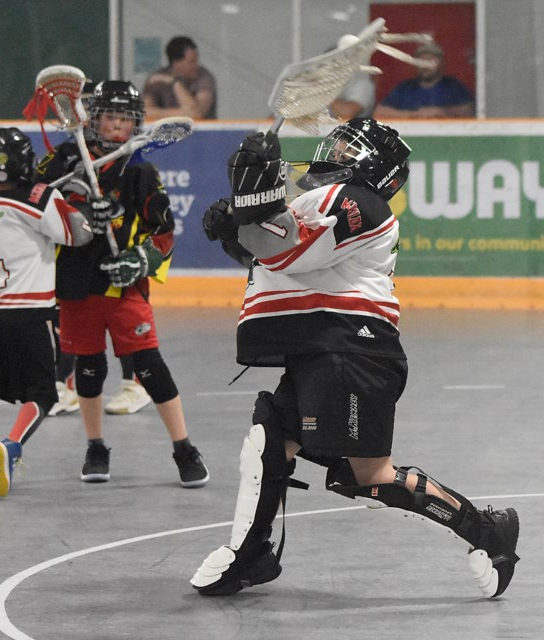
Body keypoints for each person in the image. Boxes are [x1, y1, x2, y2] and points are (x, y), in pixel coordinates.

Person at [191, 119, 520, 598]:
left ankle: (490, 533)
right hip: (322, 344)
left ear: (372, 165)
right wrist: (239, 222)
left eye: (349, 146)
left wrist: (250, 200)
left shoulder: (358, 200)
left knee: (369, 477)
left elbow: (285, 250)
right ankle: (250, 555)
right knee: (270, 441)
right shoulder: (319, 199)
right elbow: (267, 253)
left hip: (353, 348)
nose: (336, 149)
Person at [34, 80, 209, 487]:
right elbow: (35, 198)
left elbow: (163, 231)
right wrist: (74, 208)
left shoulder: (139, 169)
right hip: (77, 284)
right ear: (93, 119)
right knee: (89, 369)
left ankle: (184, 448)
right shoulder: (65, 158)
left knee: (150, 367)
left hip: (124, 287)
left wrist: (140, 259)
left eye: (126, 119)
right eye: (111, 117)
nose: (118, 126)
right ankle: (96, 446)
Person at [0, 127, 97, 496]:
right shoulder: (39, 198)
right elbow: (78, 235)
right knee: (43, 394)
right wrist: (74, 200)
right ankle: (12, 445)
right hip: (31, 313)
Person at [373, 42, 474, 119]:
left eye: (430, 60)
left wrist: (441, 112)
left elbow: (470, 111)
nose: (425, 64)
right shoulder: (405, 88)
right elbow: (379, 112)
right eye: (422, 60)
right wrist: (413, 115)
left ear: (442, 63)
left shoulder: (453, 87)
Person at [142, 36, 217, 120]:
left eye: (197, 60)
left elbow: (197, 114)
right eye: (191, 62)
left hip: (201, 130)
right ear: (176, 63)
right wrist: (183, 113)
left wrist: (174, 83)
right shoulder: (157, 78)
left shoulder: (204, 77)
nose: (196, 65)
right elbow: (146, 112)